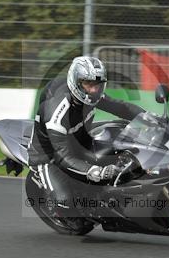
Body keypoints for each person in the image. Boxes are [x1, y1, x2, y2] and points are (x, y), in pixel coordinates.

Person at [27, 56, 144, 219]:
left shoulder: (90, 96)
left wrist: (146, 116)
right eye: (89, 84)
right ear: (76, 82)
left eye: (98, 84)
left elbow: (120, 106)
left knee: (119, 143)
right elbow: (62, 156)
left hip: (80, 141)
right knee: (65, 203)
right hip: (50, 156)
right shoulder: (58, 112)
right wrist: (95, 171)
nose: (94, 89)